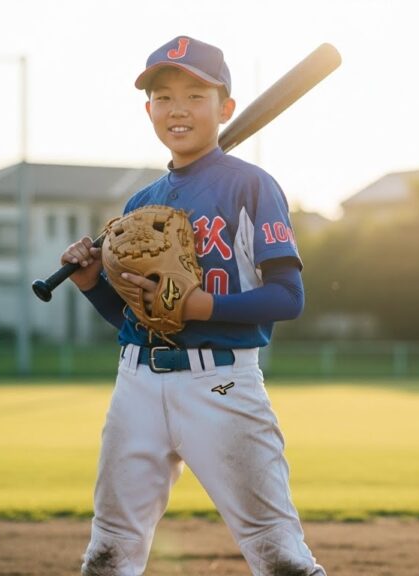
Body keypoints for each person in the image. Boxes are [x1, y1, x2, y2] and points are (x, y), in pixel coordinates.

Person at [61, 36, 325, 576]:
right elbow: (138, 319)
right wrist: (93, 284)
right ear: (148, 110)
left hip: (222, 384)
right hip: (136, 382)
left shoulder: (251, 186)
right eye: (163, 96)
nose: (177, 108)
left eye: (195, 95)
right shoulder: (141, 203)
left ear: (225, 108)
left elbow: (288, 298)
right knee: (108, 550)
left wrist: (200, 306)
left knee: (279, 553)